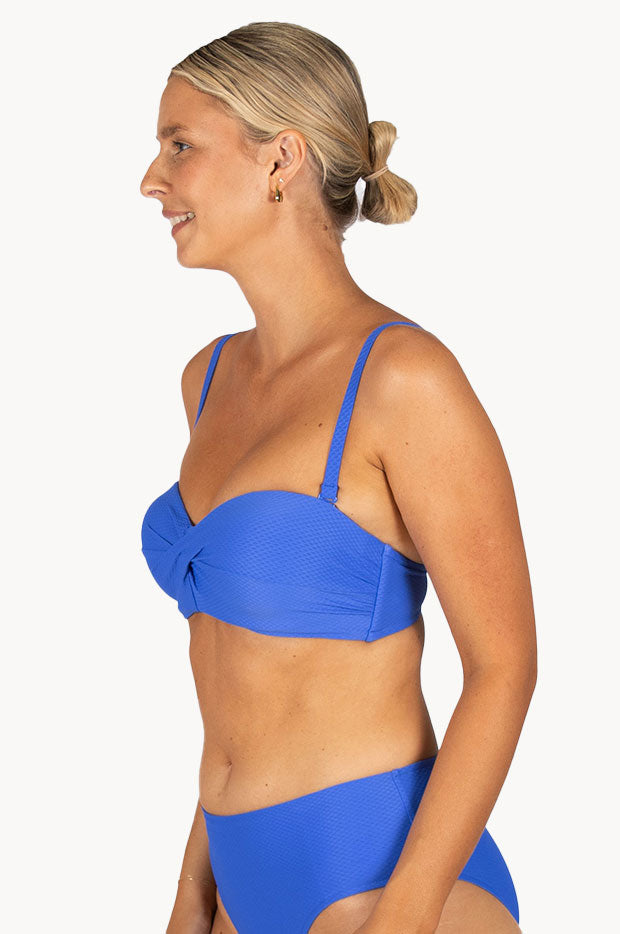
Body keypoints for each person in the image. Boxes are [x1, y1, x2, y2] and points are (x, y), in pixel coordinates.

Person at [139, 21, 536, 934]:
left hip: (389, 879)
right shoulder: (208, 380)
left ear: (280, 160)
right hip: (236, 876)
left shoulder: (404, 380)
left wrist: (405, 916)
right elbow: (240, 679)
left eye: (180, 145)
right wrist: (192, 892)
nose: (152, 179)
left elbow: (504, 668)